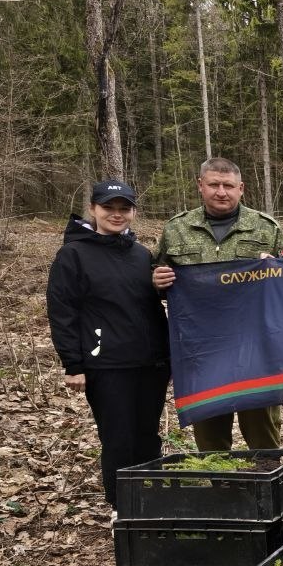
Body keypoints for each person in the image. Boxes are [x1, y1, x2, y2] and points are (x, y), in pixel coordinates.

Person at [47, 180, 170, 509]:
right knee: (118, 440)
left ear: (133, 212)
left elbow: (151, 302)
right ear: (93, 210)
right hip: (107, 365)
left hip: (151, 364)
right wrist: (72, 364)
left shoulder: (141, 254)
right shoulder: (73, 255)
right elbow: (62, 311)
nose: (117, 214)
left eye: (124, 208)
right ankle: (123, 508)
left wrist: (163, 288)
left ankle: (153, 501)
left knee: (148, 436)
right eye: (109, 208)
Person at [152, 157, 283, 450]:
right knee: (210, 435)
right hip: (201, 349)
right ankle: (220, 491)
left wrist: (276, 271)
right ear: (201, 186)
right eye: (214, 185)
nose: (221, 192)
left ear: (241, 188)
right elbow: (159, 279)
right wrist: (157, 282)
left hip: (255, 346)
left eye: (228, 186)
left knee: (262, 432)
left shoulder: (266, 229)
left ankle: (267, 488)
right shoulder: (177, 229)